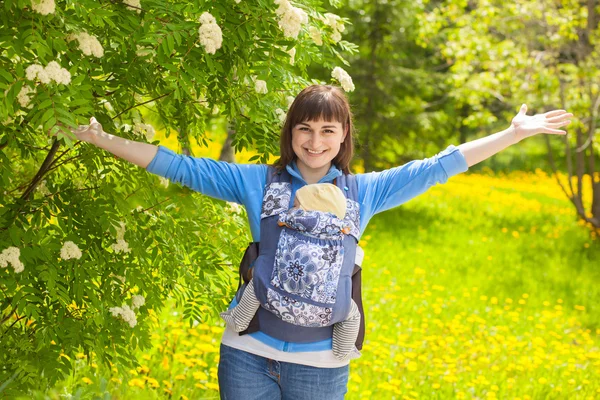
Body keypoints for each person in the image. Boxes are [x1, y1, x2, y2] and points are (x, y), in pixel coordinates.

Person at [69, 85, 572, 399]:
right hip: (246, 355)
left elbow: (439, 166)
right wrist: (98, 138)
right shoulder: (256, 183)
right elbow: (179, 166)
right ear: (290, 133)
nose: (314, 141)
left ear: (344, 134)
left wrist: (513, 134)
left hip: (322, 365)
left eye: (327, 130)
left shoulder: (364, 191)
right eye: (304, 129)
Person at [219, 183, 362, 362]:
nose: (293, 208)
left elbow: (276, 217)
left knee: (258, 283)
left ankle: (239, 319)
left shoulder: (287, 221)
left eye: (296, 205)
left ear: (305, 207)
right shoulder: (346, 234)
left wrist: (281, 194)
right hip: (327, 312)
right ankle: (343, 350)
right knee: (352, 313)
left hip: (274, 298)